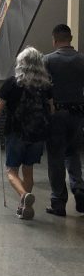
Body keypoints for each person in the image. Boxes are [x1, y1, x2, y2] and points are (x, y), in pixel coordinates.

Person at [0, 47, 53, 221]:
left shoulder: (13, 82)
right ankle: (23, 207)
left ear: (21, 63)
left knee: (11, 171)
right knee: (28, 170)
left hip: (16, 132)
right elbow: (51, 108)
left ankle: (24, 196)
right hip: (38, 133)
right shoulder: (45, 85)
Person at [43, 23, 84, 216]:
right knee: (73, 153)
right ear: (71, 38)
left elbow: (43, 88)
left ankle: (58, 202)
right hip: (77, 113)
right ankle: (79, 187)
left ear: (54, 40)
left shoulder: (48, 60)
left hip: (56, 114)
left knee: (56, 157)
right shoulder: (82, 60)